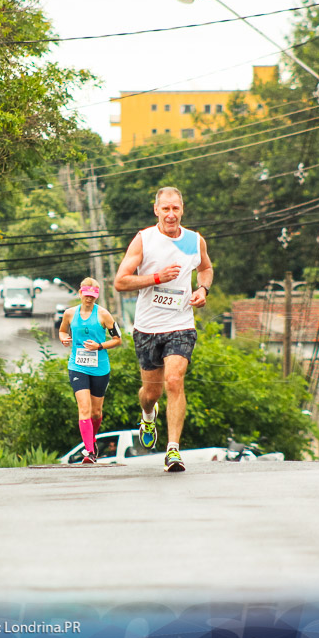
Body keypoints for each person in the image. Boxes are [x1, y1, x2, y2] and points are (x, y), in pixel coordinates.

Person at [113, 186, 213, 472]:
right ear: (156, 210)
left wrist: (202, 288)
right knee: (151, 392)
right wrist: (156, 277)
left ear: (182, 210)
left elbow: (206, 268)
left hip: (181, 324)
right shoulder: (144, 240)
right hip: (147, 328)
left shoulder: (195, 241)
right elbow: (121, 282)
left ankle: (173, 451)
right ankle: (147, 414)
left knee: (174, 380)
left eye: (176, 208)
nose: (171, 214)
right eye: (165, 209)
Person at [58, 277, 123, 464]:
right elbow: (63, 331)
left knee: (96, 412)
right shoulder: (70, 314)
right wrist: (64, 338)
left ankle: (91, 439)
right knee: (84, 408)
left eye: (92, 297)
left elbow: (118, 339)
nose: (89, 299)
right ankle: (89, 451)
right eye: (86, 296)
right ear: (80, 293)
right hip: (77, 366)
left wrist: (100, 345)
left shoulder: (104, 315)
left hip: (100, 368)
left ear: (97, 296)